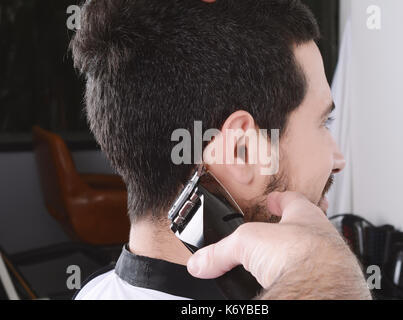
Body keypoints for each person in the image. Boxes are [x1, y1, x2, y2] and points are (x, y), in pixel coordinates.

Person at [71, 0, 371, 300]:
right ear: (240, 151)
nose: (338, 159)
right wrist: (333, 283)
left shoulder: (93, 290)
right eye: (323, 122)